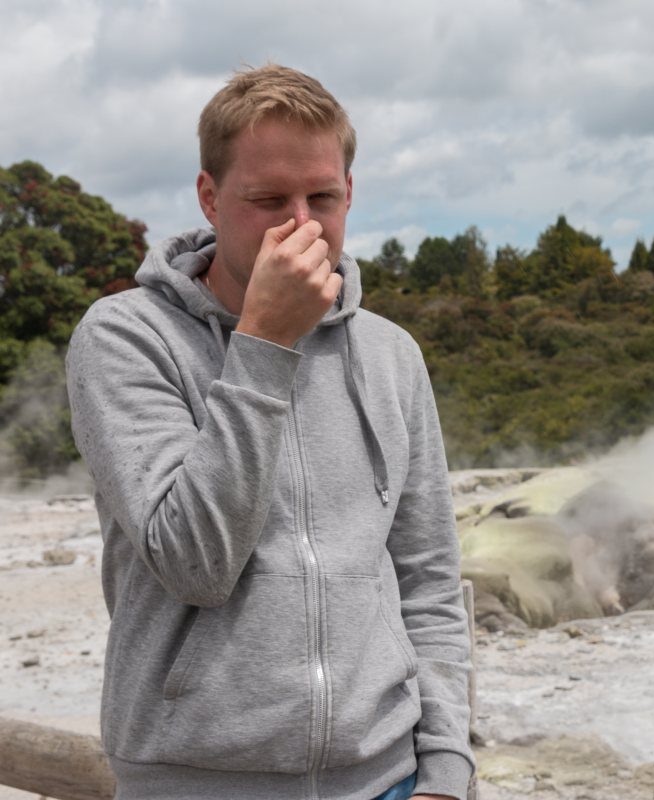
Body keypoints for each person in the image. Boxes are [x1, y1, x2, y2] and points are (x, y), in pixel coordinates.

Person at [66, 64, 473, 800]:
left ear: (350, 192)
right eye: (267, 199)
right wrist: (264, 342)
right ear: (209, 197)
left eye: (323, 196)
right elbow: (195, 565)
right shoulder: (125, 338)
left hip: (387, 778)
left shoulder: (391, 355)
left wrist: (445, 770)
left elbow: (429, 580)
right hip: (192, 783)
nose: (302, 222)